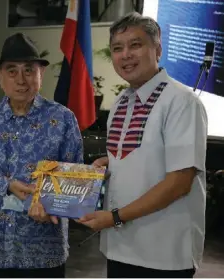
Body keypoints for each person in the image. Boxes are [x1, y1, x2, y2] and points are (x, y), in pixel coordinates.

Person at [76, 12, 208, 278]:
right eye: (117, 48)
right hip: (119, 246)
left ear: (157, 49)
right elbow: (141, 156)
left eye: (135, 45)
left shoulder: (181, 102)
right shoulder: (121, 103)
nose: (125, 55)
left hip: (163, 252)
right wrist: (110, 163)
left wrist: (114, 217)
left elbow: (180, 181)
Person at [0, 33, 84, 278]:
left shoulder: (62, 119)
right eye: (12, 71)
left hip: (43, 252)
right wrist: (6, 185)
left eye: (29, 70)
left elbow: (76, 181)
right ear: (0, 76)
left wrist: (49, 204)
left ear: (41, 74)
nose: (21, 80)